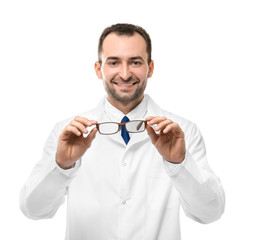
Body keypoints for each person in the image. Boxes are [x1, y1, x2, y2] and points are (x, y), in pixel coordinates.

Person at [20, 23, 225, 240]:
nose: (125, 74)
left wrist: (179, 164)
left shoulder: (182, 131)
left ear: (150, 68)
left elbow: (210, 213)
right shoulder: (67, 133)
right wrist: (61, 166)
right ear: (99, 69)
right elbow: (33, 210)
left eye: (135, 62)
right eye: (114, 62)